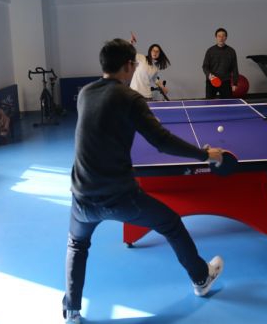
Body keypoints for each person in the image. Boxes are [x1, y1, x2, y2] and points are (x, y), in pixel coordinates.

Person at [63, 38, 227, 324]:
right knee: (171, 224)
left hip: (82, 196)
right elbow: (161, 142)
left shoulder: (85, 93)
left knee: (77, 245)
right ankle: (201, 279)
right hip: (120, 197)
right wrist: (205, 155)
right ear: (129, 66)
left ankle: (72, 311)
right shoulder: (130, 98)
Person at [202, 28, 239, 99]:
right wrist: (209, 75)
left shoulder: (231, 51)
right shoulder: (210, 51)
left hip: (225, 82)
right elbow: (205, 66)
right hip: (211, 81)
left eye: (223, 36)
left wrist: (235, 83)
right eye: (219, 36)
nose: (221, 38)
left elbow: (234, 68)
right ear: (216, 37)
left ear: (226, 37)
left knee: (228, 104)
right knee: (209, 103)